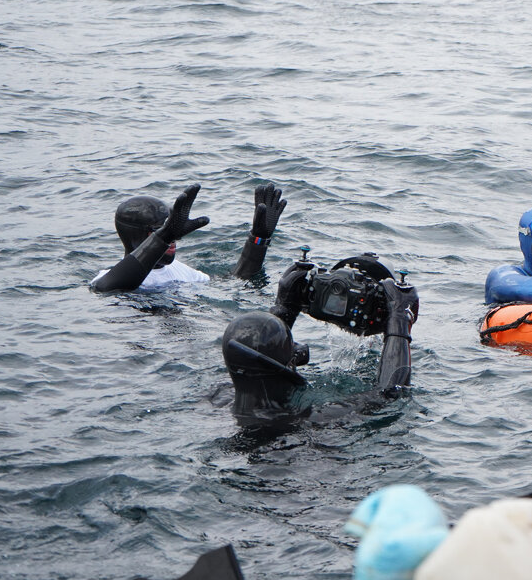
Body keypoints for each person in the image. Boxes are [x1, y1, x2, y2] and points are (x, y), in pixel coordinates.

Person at [221, 251, 419, 428]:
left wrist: (285, 307)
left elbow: (258, 358)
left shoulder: (222, 396)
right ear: (284, 369)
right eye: (291, 348)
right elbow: (388, 394)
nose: (299, 349)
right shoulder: (311, 420)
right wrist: (399, 320)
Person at [91, 182, 287, 293]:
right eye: (160, 230)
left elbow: (235, 283)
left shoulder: (182, 272)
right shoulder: (108, 277)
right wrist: (165, 236)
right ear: (134, 235)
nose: (174, 238)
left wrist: (258, 240)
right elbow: (105, 289)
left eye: (174, 229)